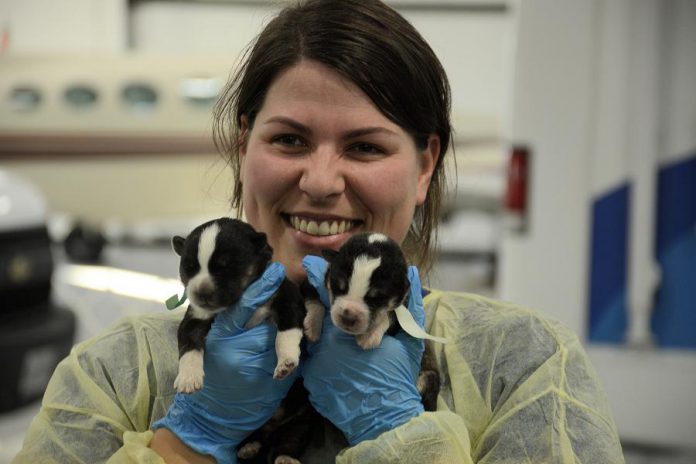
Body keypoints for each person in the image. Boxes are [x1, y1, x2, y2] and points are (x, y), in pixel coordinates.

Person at [13, 0, 625, 463]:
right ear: (241, 147)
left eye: (364, 147)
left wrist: (394, 430)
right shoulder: (117, 371)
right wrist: (193, 438)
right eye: (289, 140)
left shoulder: (523, 366)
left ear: (425, 166)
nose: (322, 181)